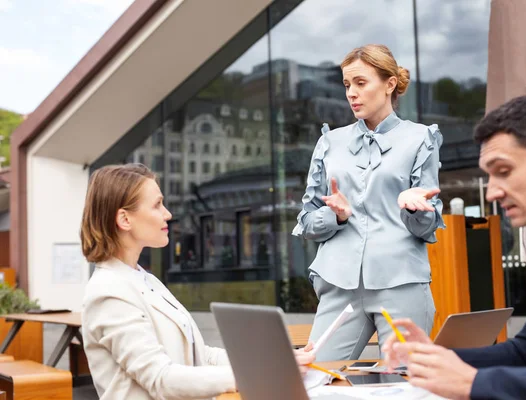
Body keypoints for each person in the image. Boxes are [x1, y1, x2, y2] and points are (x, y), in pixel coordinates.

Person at [383, 95, 526, 399]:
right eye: (489, 175)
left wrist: (472, 384)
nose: (492, 192)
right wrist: (435, 358)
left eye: (504, 171)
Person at [81, 164, 314, 400]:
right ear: (124, 219)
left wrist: (272, 360)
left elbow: (199, 355)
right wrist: (259, 373)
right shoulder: (109, 292)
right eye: (157, 205)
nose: (168, 214)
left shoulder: (144, 279)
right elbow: (161, 379)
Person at [292, 44, 445, 361]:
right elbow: (306, 222)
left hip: (400, 283)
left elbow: (427, 227)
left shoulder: (421, 139)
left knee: (405, 384)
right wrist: (336, 217)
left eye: (361, 83)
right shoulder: (329, 142)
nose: (351, 93)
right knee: (318, 376)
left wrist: (412, 208)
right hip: (339, 285)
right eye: (347, 85)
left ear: (389, 84)